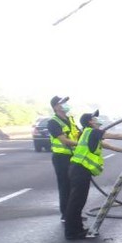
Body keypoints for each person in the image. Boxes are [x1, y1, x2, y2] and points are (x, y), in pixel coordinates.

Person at [64, 112, 122, 239]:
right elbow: (116, 135)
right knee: (76, 202)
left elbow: (108, 146)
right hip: (80, 170)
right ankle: (72, 232)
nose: (97, 119)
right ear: (90, 122)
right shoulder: (92, 132)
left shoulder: (88, 133)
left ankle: (77, 229)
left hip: (79, 170)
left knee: (78, 202)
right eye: (94, 118)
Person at [47, 95, 80, 224]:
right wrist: (82, 144)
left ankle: (74, 214)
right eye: (62, 103)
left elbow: (79, 134)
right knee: (65, 186)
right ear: (55, 107)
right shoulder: (53, 122)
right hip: (61, 158)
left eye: (65, 102)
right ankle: (66, 215)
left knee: (75, 186)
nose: (65, 104)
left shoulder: (70, 119)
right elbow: (64, 140)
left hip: (73, 156)